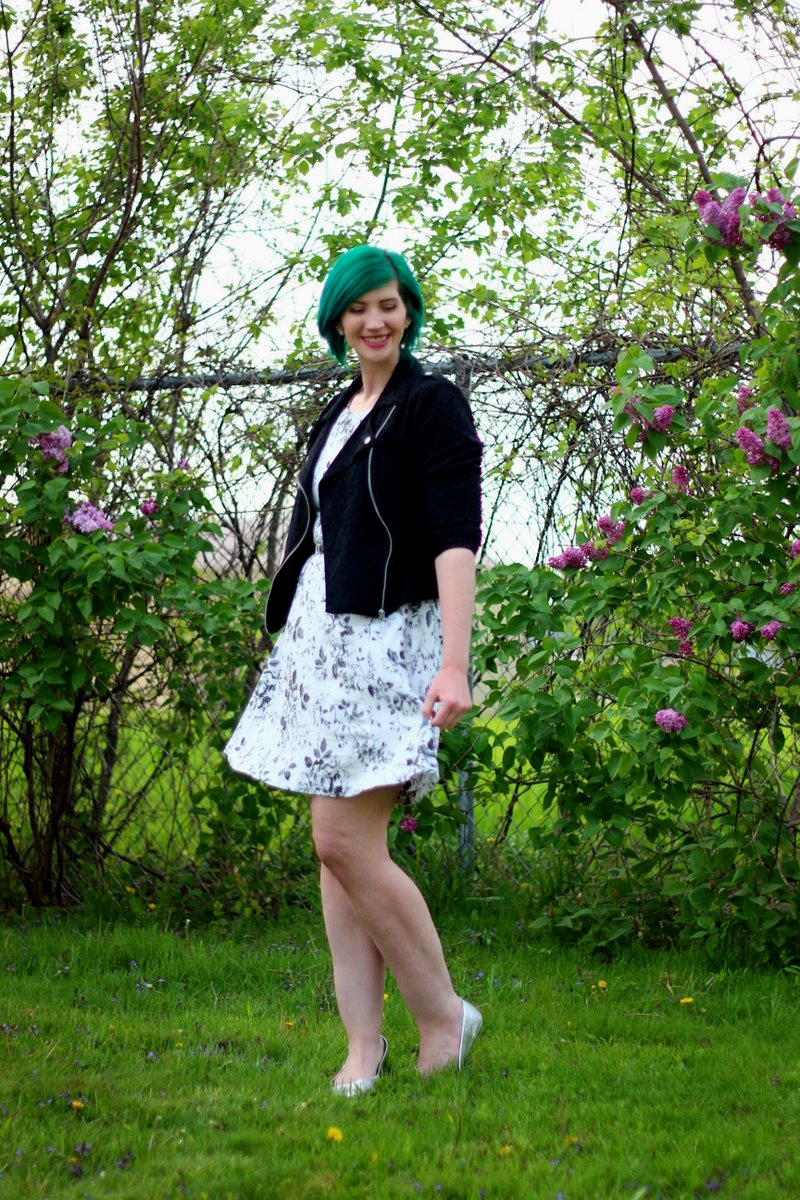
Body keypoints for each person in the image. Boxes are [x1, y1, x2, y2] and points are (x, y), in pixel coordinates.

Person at [225, 245, 483, 1094]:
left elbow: (454, 538)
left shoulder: (430, 405)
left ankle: (444, 1017)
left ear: (408, 309)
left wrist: (454, 663)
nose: (376, 321)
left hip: (391, 648)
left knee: (344, 839)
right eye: (358, 308)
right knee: (335, 850)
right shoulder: (340, 411)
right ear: (336, 321)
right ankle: (363, 1045)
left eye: (389, 304)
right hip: (322, 649)